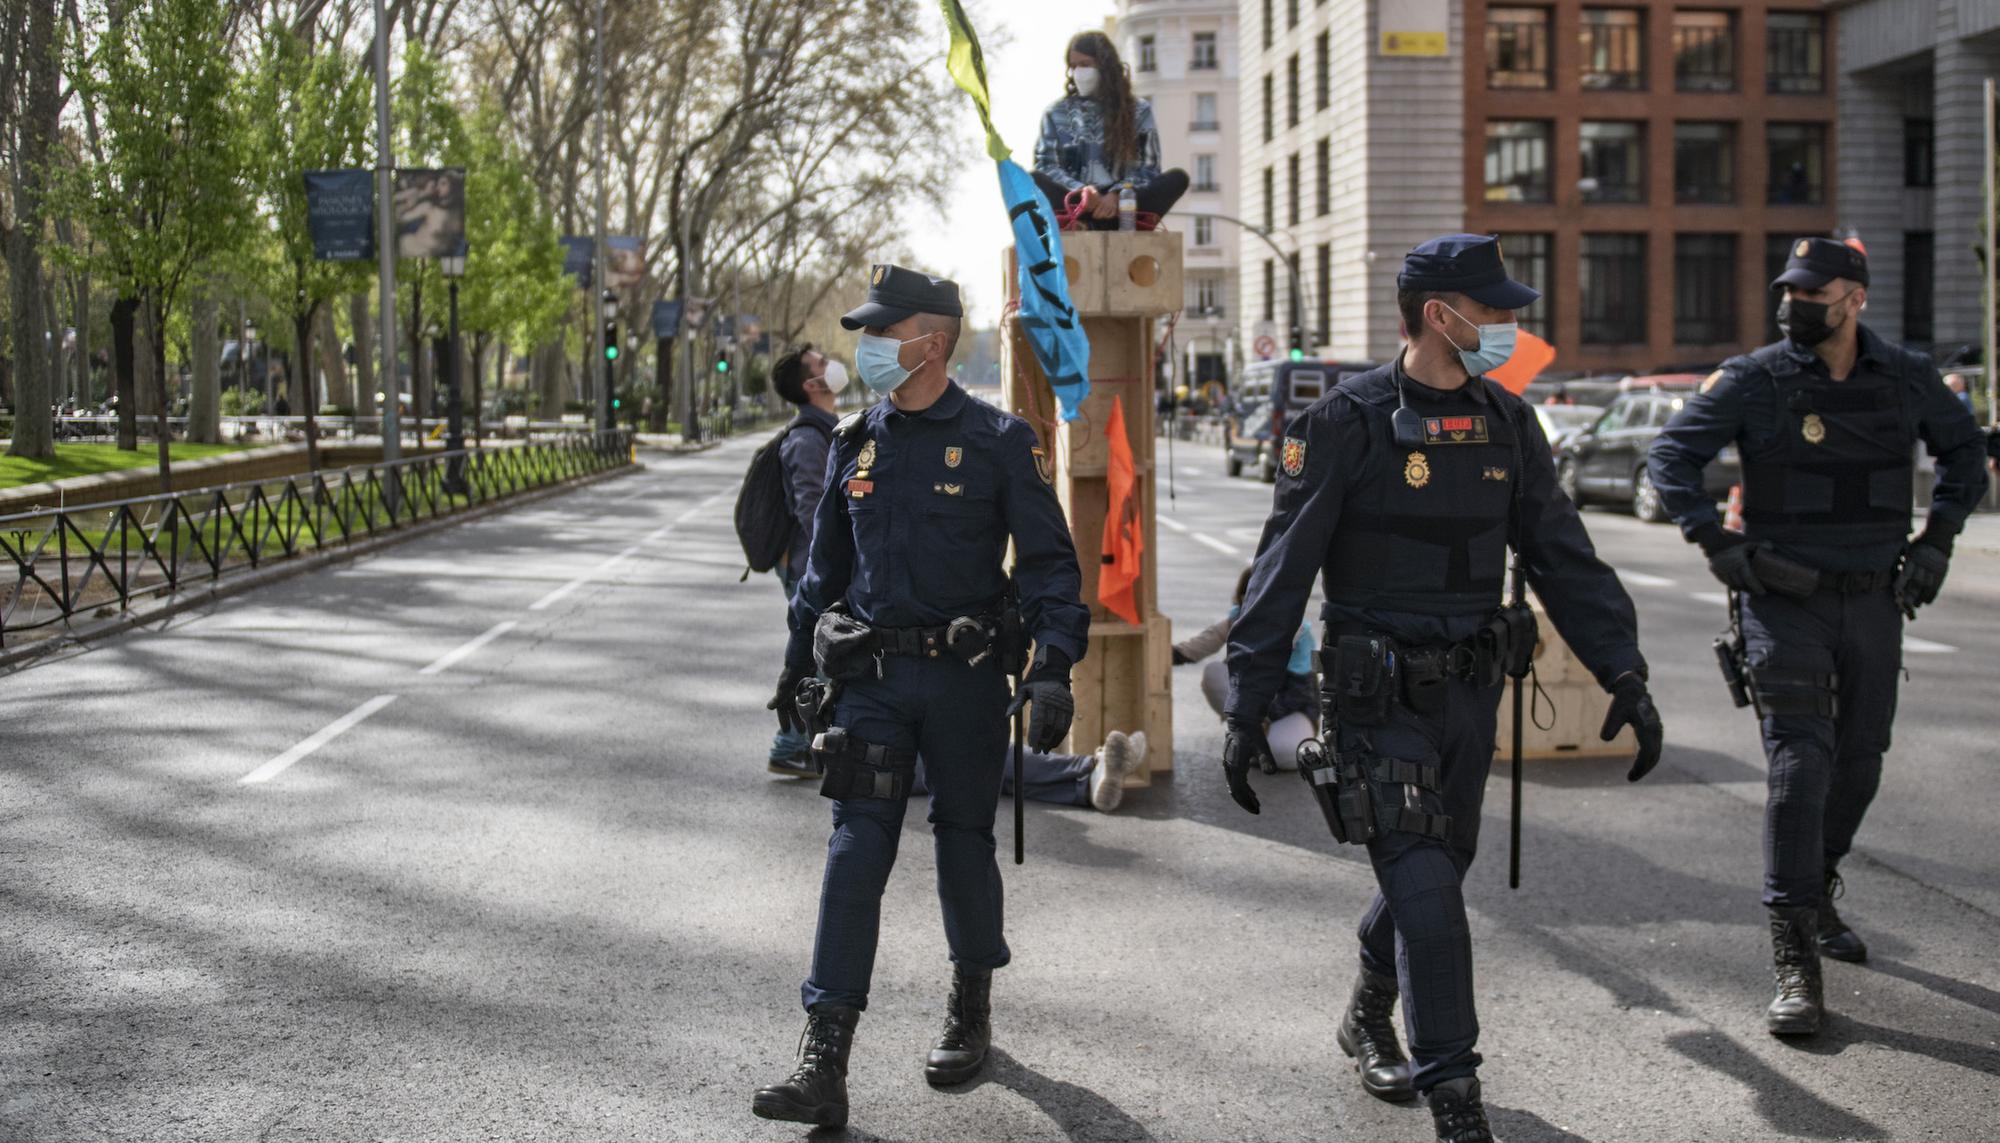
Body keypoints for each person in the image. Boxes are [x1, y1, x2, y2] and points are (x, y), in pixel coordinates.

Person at [1223, 235, 1664, 1142]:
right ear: (1440, 315)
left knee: (1438, 871)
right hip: (1374, 701)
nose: (1508, 326)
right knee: (1430, 892)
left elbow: (1563, 556)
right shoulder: (1345, 422)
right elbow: (1280, 571)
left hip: (1470, 696)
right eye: (1495, 311)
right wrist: (1250, 698)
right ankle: (1456, 1097)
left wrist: (1625, 669)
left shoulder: (1507, 423)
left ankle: (1366, 1009)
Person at [752, 265, 1090, 1130]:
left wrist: (1053, 666)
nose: (865, 349)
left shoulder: (998, 442)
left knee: (962, 842)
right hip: (870, 681)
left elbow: (1052, 567)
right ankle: (825, 1050)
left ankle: (970, 1001)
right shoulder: (857, 442)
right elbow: (823, 572)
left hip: (964, 680)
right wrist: (797, 668)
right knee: (855, 844)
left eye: (882, 333)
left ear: (930, 343)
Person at [1647, 237, 1989, 1038]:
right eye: (1789, 289)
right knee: (1800, 763)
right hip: (1780, 597)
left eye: (1813, 290)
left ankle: (1817, 881)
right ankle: (1794, 952)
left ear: (1855, 298)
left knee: (1861, 758)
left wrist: (1937, 538)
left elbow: (1967, 453)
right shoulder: (1754, 378)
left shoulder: (1905, 377)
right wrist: (1717, 543)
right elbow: (1671, 456)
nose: (1794, 302)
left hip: (1873, 597)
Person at [764, 345, 848, 778]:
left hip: (811, 564)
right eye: (821, 363)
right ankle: (790, 744)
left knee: (823, 654)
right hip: (806, 567)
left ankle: (805, 741)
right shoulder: (806, 439)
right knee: (814, 654)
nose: (831, 364)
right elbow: (813, 511)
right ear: (812, 385)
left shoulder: (824, 431)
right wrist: (831, 566)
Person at [1033, 31, 1189, 229]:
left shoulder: (1139, 111)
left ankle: (1124, 223)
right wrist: (1082, 192)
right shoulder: (1055, 112)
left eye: (1085, 65)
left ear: (1105, 67)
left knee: (1177, 178)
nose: (1078, 72)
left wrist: (1118, 194)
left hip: (1126, 207)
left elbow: (1149, 168)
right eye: (1073, 66)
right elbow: (1045, 165)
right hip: (1075, 206)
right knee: (1032, 180)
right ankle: (1079, 223)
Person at [1176, 567, 1317, 771]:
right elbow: (1203, 642)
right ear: (1243, 598)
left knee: (1286, 755)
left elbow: (1284, 654)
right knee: (1214, 672)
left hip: (1292, 707)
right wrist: (1171, 654)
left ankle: (1254, 738)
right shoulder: (1237, 618)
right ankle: (1248, 734)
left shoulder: (1296, 628)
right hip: (1253, 705)